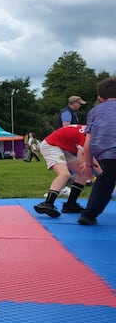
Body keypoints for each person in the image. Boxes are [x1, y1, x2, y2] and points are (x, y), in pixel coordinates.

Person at [78, 77, 116, 225]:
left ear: (100, 98)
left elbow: (88, 144)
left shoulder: (95, 112)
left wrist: (88, 164)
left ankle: (88, 215)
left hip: (106, 153)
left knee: (105, 181)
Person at [33, 124, 88, 218]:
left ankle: (70, 204)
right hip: (51, 145)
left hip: (60, 146)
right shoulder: (89, 135)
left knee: (83, 173)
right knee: (64, 174)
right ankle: (48, 203)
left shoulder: (89, 130)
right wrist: (102, 175)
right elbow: (82, 156)